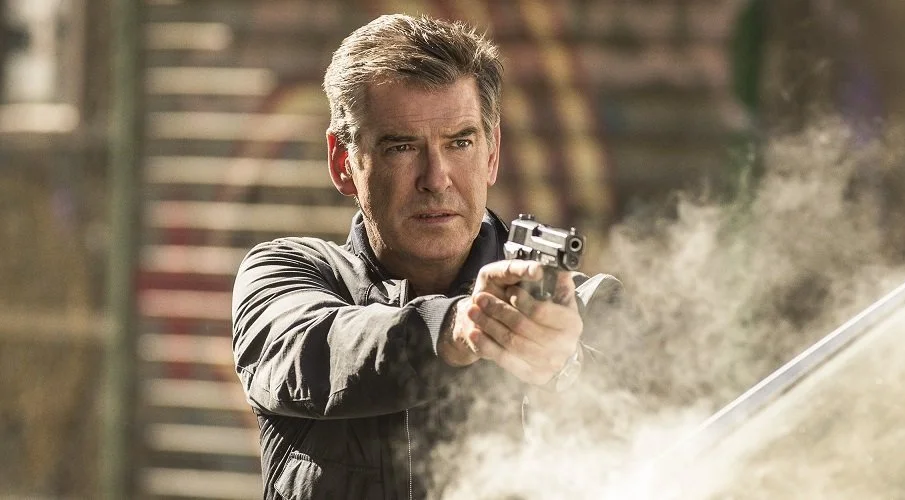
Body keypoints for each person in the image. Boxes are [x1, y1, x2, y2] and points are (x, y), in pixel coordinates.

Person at [231, 13, 617, 499]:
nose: (436, 178)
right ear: (342, 161)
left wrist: (564, 367)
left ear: (492, 152)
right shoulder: (287, 274)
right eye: (401, 147)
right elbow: (315, 353)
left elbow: (649, 427)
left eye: (460, 143)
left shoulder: (584, 311)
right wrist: (455, 328)